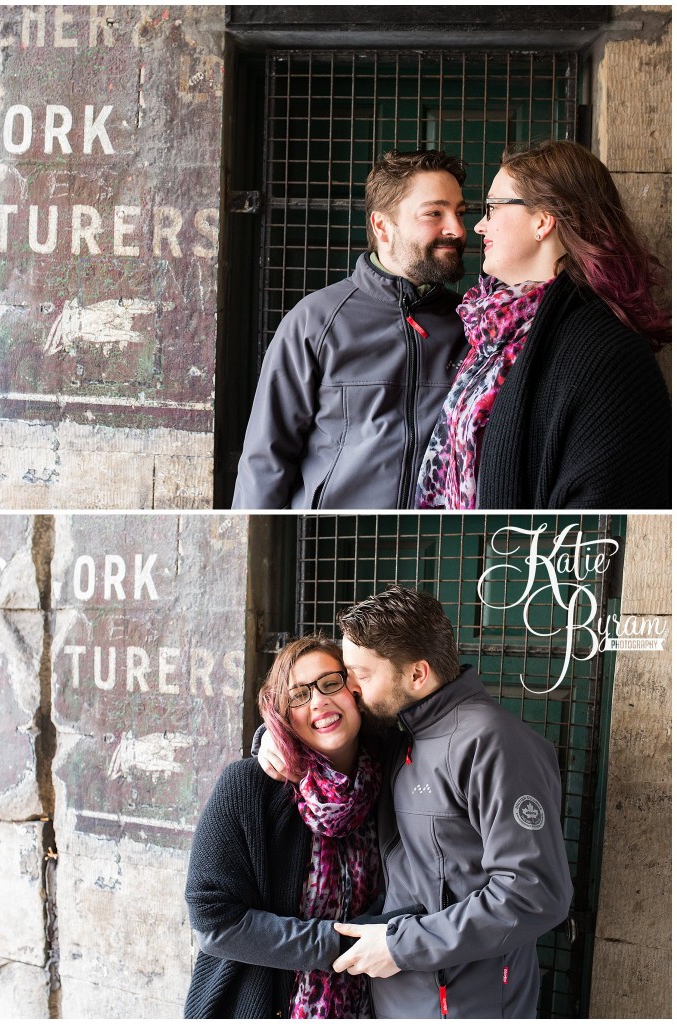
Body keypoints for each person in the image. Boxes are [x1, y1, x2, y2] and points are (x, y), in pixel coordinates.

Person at [258, 586, 573, 1019]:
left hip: (467, 1004)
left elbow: (535, 893)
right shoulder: (400, 735)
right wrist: (272, 739)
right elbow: (321, 729)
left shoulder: (495, 744)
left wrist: (401, 945)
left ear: (417, 675)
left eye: (361, 675)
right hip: (398, 1000)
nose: (351, 689)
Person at [416, 139, 671, 510]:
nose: (481, 225)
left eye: (493, 207)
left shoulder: (606, 354)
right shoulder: (496, 334)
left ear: (542, 220)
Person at [232, 149, 469, 510]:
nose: (457, 229)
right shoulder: (315, 320)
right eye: (434, 213)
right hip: (334, 533)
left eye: (460, 213)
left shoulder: (473, 323)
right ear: (382, 225)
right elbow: (265, 461)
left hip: (435, 532)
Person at [184, 636, 388, 1018]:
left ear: (355, 690)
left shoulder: (391, 778)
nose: (318, 701)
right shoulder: (248, 786)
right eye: (299, 695)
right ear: (282, 715)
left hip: (372, 1004)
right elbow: (213, 919)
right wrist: (342, 945)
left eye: (331, 682)